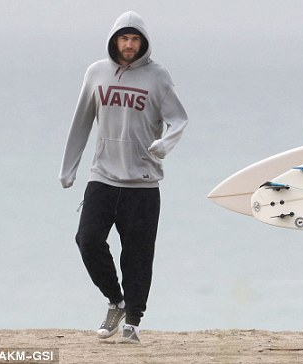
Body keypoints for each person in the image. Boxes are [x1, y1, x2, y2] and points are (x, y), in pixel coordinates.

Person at [59, 11, 188, 344]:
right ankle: (116, 301)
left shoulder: (158, 76)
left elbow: (179, 119)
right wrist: (69, 167)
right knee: (87, 240)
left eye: (135, 40)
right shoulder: (97, 72)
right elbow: (81, 121)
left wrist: (163, 146)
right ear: (114, 40)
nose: (129, 45)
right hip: (102, 176)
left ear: (142, 43)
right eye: (124, 38)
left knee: (137, 254)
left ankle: (133, 319)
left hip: (143, 183)